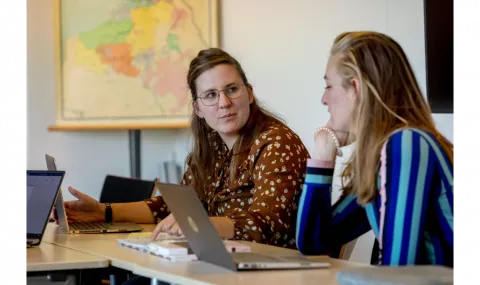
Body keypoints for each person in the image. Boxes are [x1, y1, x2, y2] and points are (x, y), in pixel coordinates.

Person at [59, 47, 310, 248]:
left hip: (273, 271)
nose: (224, 103)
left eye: (232, 89)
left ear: (250, 93)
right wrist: (104, 212)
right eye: (210, 95)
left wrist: (199, 223)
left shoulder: (277, 143)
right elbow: (172, 208)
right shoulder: (211, 147)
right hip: (222, 263)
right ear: (198, 108)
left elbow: (267, 224)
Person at [295, 31, 454, 267]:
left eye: (328, 86)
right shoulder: (380, 155)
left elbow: (399, 272)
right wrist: (322, 155)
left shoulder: (406, 143)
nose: (323, 99)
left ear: (355, 88)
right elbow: (314, 245)